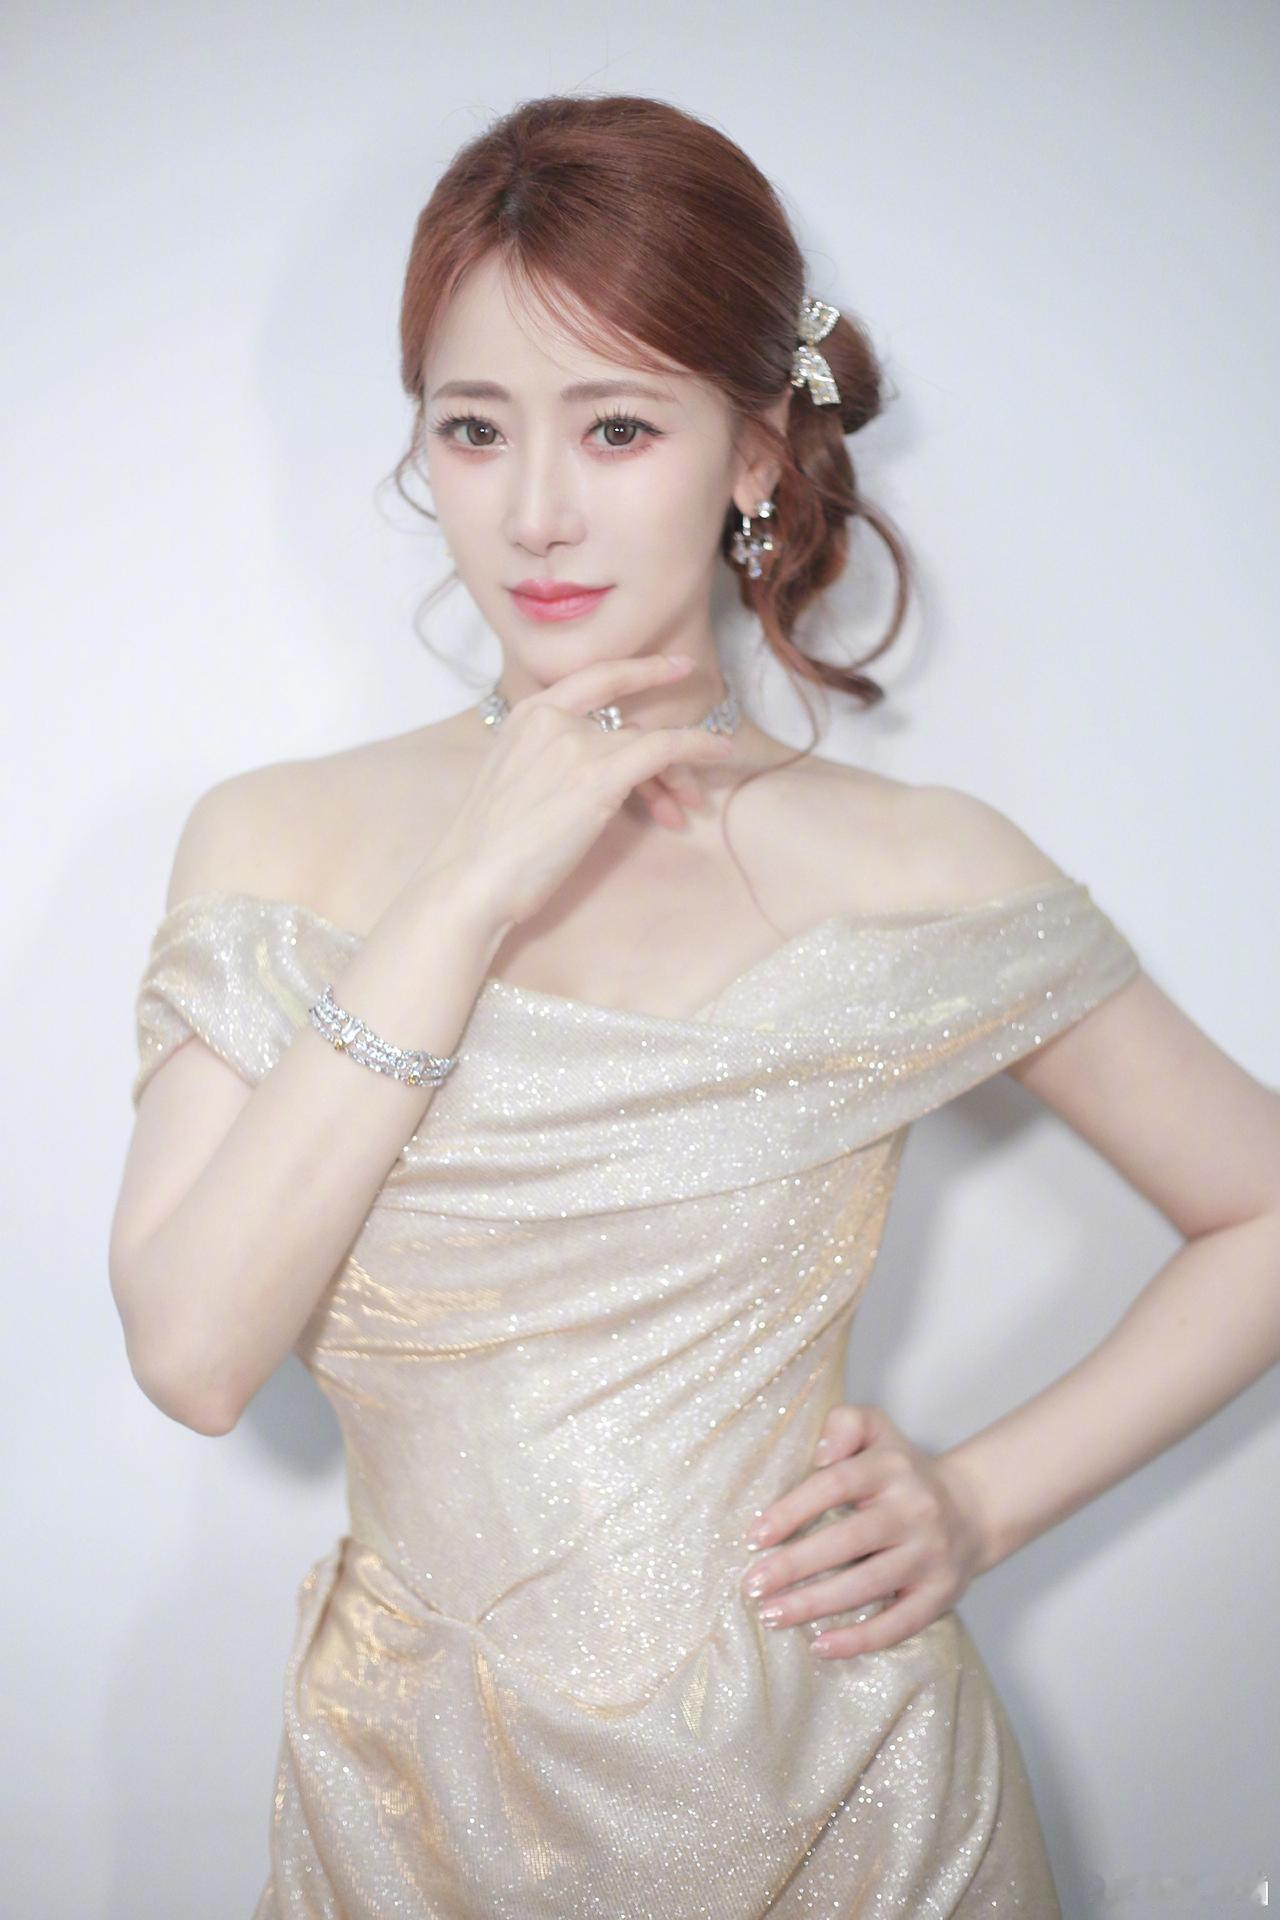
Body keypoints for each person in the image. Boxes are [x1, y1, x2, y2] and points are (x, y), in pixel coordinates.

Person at [108, 94, 1280, 1920]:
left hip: (856, 1802)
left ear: (754, 454)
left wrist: (982, 1500)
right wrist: (469, 881)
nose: (538, 510)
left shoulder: (915, 865)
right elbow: (192, 1354)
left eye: (619, 426)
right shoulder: (274, 839)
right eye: (474, 429)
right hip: (413, 1807)